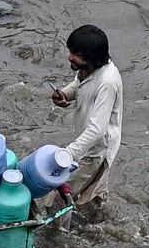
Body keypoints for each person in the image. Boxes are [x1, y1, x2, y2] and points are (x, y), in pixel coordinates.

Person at [50, 22, 123, 205]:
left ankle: (60, 230)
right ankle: (96, 223)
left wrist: (68, 154)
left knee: (58, 197)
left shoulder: (107, 82)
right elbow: (80, 84)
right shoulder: (88, 69)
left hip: (96, 151)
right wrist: (66, 94)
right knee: (91, 197)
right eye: (70, 51)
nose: (70, 57)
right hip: (87, 145)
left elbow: (97, 130)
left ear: (91, 58)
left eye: (76, 55)